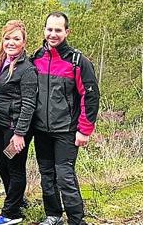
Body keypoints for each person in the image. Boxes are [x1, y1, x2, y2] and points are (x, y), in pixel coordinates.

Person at [31, 12, 100, 225]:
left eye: (58, 30)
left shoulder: (78, 62)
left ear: (67, 32)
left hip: (66, 130)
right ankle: (53, 215)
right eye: (49, 29)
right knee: (47, 175)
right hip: (41, 130)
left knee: (65, 176)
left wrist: (85, 130)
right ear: (44, 30)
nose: (53, 34)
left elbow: (90, 96)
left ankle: (76, 220)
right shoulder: (37, 58)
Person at [0, 20, 37, 225]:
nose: (11, 42)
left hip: (16, 128)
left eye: (16, 38)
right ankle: (17, 200)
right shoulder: (1, 62)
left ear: (24, 42)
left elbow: (29, 104)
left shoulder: (27, 69)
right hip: (1, 124)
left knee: (14, 167)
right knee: (1, 162)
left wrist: (20, 133)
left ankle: (11, 213)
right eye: (7, 38)